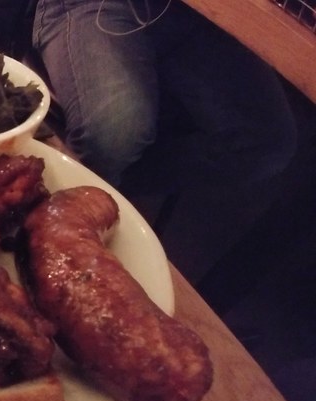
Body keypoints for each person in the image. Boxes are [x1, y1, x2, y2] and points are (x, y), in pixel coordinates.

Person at [30, 0, 298, 239]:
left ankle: (100, 191)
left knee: (268, 142)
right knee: (115, 131)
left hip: (212, 18)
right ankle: (63, 208)